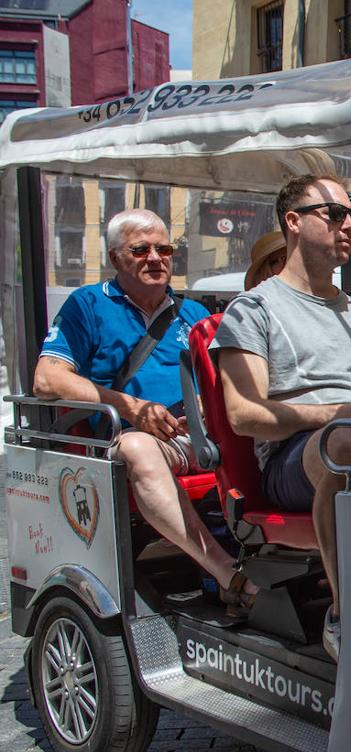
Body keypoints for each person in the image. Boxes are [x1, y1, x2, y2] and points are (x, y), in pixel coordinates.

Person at [213, 174, 351, 661]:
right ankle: (350, 613)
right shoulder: (253, 310)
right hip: (302, 454)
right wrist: (337, 414)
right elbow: (243, 414)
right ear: (294, 222)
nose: (349, 224)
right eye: (335, 214)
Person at [33, 208, 259, 617]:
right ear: (116, 257)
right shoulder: (87, 305)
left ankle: (291, 568)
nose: (156, 258)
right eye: (141, 249)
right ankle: (228, 574)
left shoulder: (192, 314)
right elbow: (47, 380)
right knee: (138, 447)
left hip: (201, 434)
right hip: (138, 438)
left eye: (164, 248)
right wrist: (131, 408)